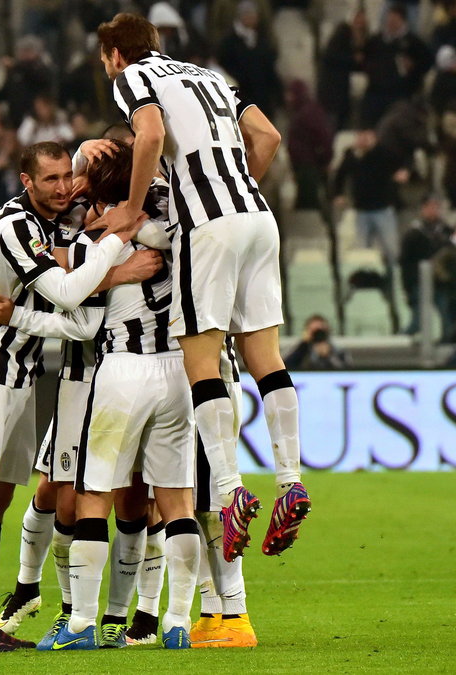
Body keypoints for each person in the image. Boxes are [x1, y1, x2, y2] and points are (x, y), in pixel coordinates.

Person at [95, 13, 310, 567]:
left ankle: (231, 490)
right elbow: (267, 136)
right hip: (258, 217)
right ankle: (291, 480)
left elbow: (150, 135)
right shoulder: (212, 75)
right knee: (266, 356)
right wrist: (236, 194)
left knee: (203, 362)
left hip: (207, 227)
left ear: (116, 55)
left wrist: (134, 208)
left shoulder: (134, 79)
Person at [0, 142, 148, 654]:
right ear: (26, 182)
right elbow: (72, 295)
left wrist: (88, 154)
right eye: (48, 179)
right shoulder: (14, 225)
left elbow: (85, 319)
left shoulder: (63, 223)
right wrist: (117, 259)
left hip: (24, 372)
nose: (60, 188)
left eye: (64, 177)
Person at [333, 128, 409, 266]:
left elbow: (402, 162)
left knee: (391, 250)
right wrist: (338, 194)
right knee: (362, 250)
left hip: (383, 208)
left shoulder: (383, 153)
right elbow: (340, 175)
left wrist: (403, 172)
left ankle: (394, 282)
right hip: (361, 210)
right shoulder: (352, 155)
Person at [360, 3, 431, 127]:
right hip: (375, 94)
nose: (391, 23)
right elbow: (364, 58)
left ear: (402, 21)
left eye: (395, 20)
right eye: (389, 19)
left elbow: (427, 63)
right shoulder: (376, 40)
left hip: (400, 95)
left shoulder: (414, 42)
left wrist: (413, 67)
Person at [398, 194, 452, 333]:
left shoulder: (446, 231)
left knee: (447, 319)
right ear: (423, 209)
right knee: (418, 321)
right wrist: (408, 287)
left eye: (436, 207)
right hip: (419, 283)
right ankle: (400, 342)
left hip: (441, 284)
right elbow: (405, 263)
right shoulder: (413, 234)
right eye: (430, 207)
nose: (433, 210)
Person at [216, 0, 281, 116]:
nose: (254, 18)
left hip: (262, 99)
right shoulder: (229, 43)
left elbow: (269, 68)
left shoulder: (261, 40)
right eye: (250, 14)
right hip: (241, 98)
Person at [285, 79, 334, 210]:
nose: (288, 98)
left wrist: (325, 160)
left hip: (309, 165)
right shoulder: (301, 112)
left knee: (309, 203)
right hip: (303, 165)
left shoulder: (308, 112)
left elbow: (324, 138)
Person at [284, 315, 350, 370]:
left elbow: (347, 370)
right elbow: (287, 366)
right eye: (314, 331)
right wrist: (304, 344)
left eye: (320, 330)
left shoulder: (338, 350)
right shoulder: (302, 349)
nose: (318, 334)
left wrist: (328, 355)